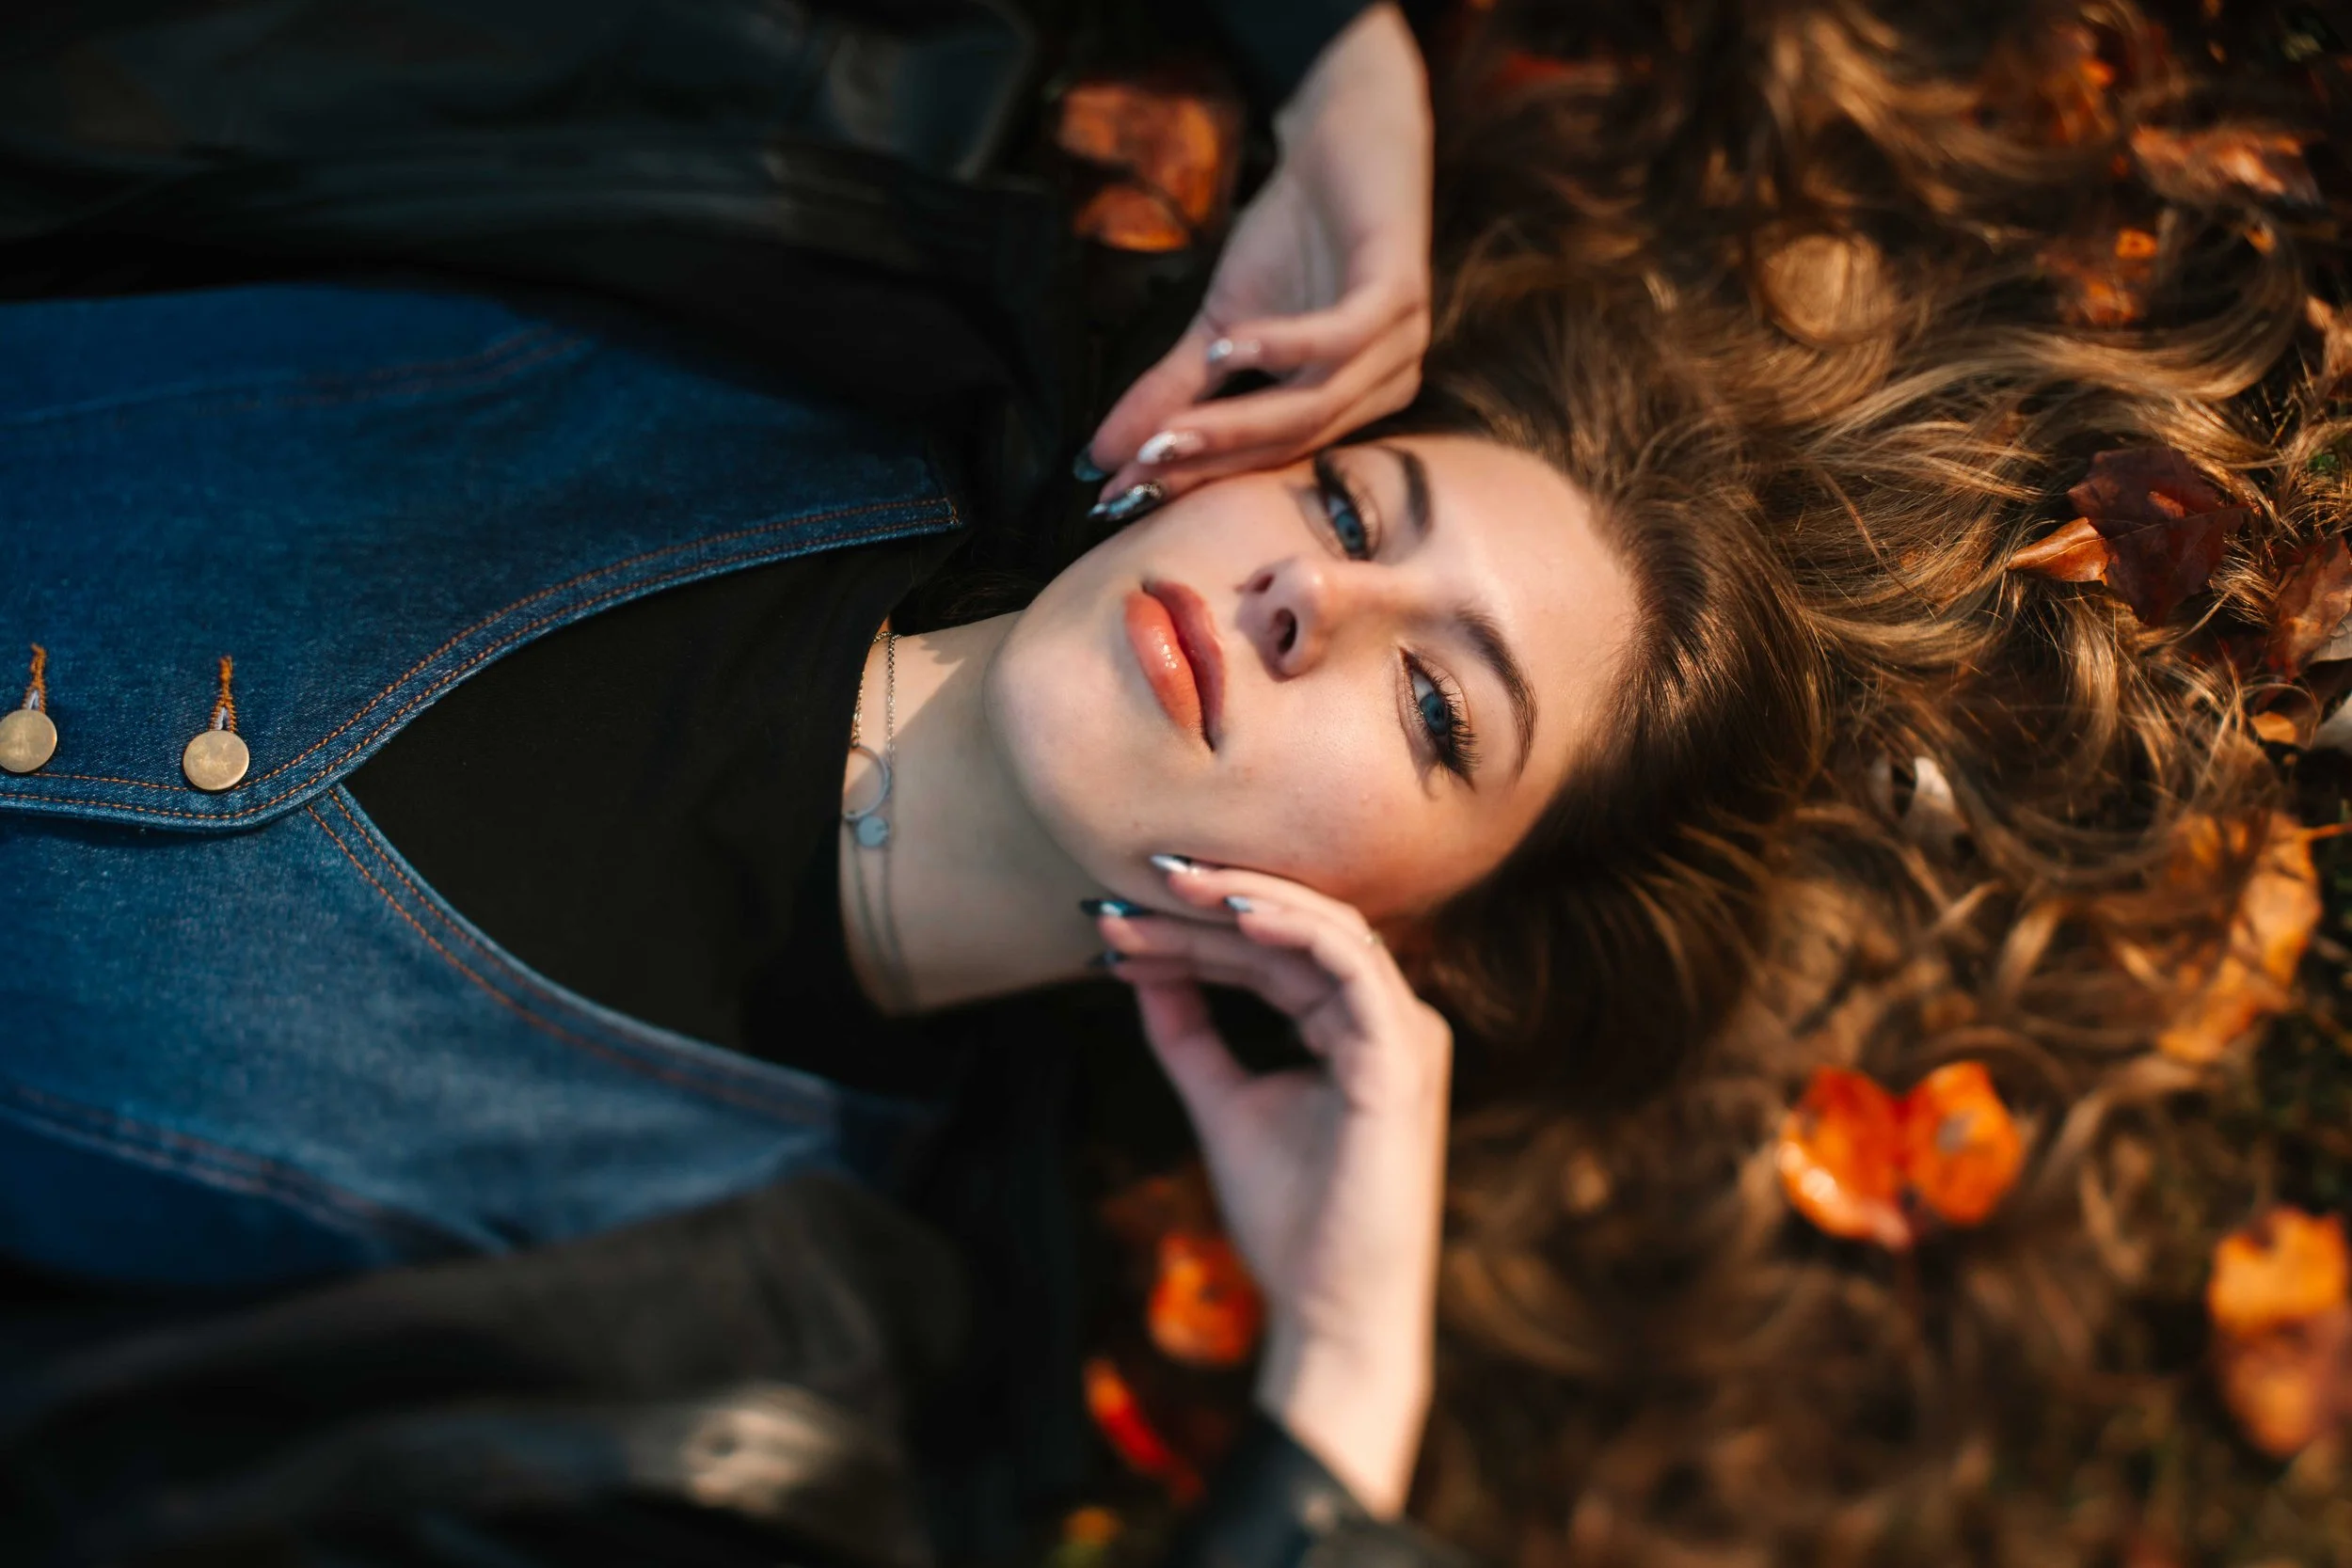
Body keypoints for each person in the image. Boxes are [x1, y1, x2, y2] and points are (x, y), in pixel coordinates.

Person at [0, 2, 1813, 1563]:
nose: (1304, 598)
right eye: (1351, 504)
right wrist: (1347, 69)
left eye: (1432, 706)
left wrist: (1337, 1399)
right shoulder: (810, 235)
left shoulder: (757, 1374)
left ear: (1425, 957)